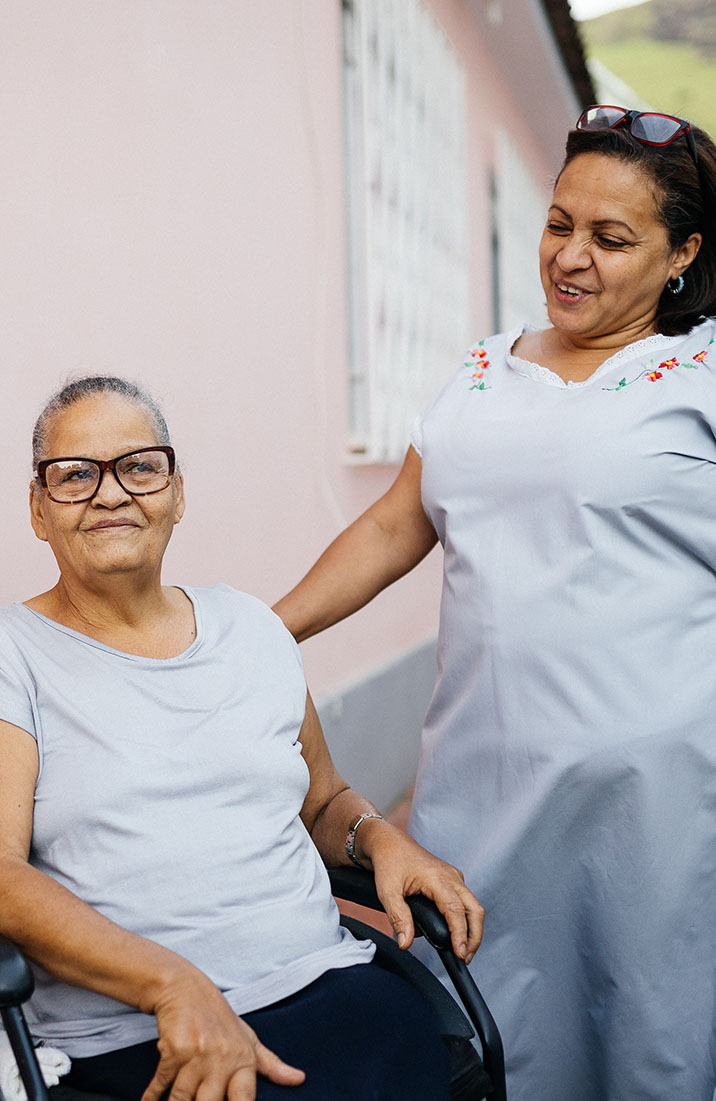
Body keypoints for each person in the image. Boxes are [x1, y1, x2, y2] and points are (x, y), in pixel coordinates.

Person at [274, 106, 716, 1101]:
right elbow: (395, 524)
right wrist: (265, 628)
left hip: (657, 810)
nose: (569, 258)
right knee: (492, 1033)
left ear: (682, 252)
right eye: (558, 225)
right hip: (480, 790)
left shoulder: (701, 372)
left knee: (650, 1034)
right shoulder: (480, 369)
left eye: (611, 240)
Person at [0, 375, 486, 1101]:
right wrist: (171, 986)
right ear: (39, 510)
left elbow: (321, 802)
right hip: (141, 1031)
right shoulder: (15, 653)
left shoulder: (252, 628)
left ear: (177, 492)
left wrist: (381, 839)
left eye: (139, 466)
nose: (110, 494)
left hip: (327, 984)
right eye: (75, 475)